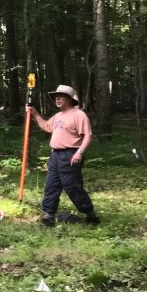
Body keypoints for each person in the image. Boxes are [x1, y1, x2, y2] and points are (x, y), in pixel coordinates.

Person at [27, 85, 99, 227]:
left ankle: (90, 214)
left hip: (71, 154)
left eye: (61, 96)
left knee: (73, 187)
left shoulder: (78, 114)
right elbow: (45, 126)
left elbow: (88, 135)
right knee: (51, 185)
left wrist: (80, 152)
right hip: (55, 155)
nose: (57, 98)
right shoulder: (58, 116)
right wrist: (34, 113)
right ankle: (49, 215)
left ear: (70, 99)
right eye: (56, 96)